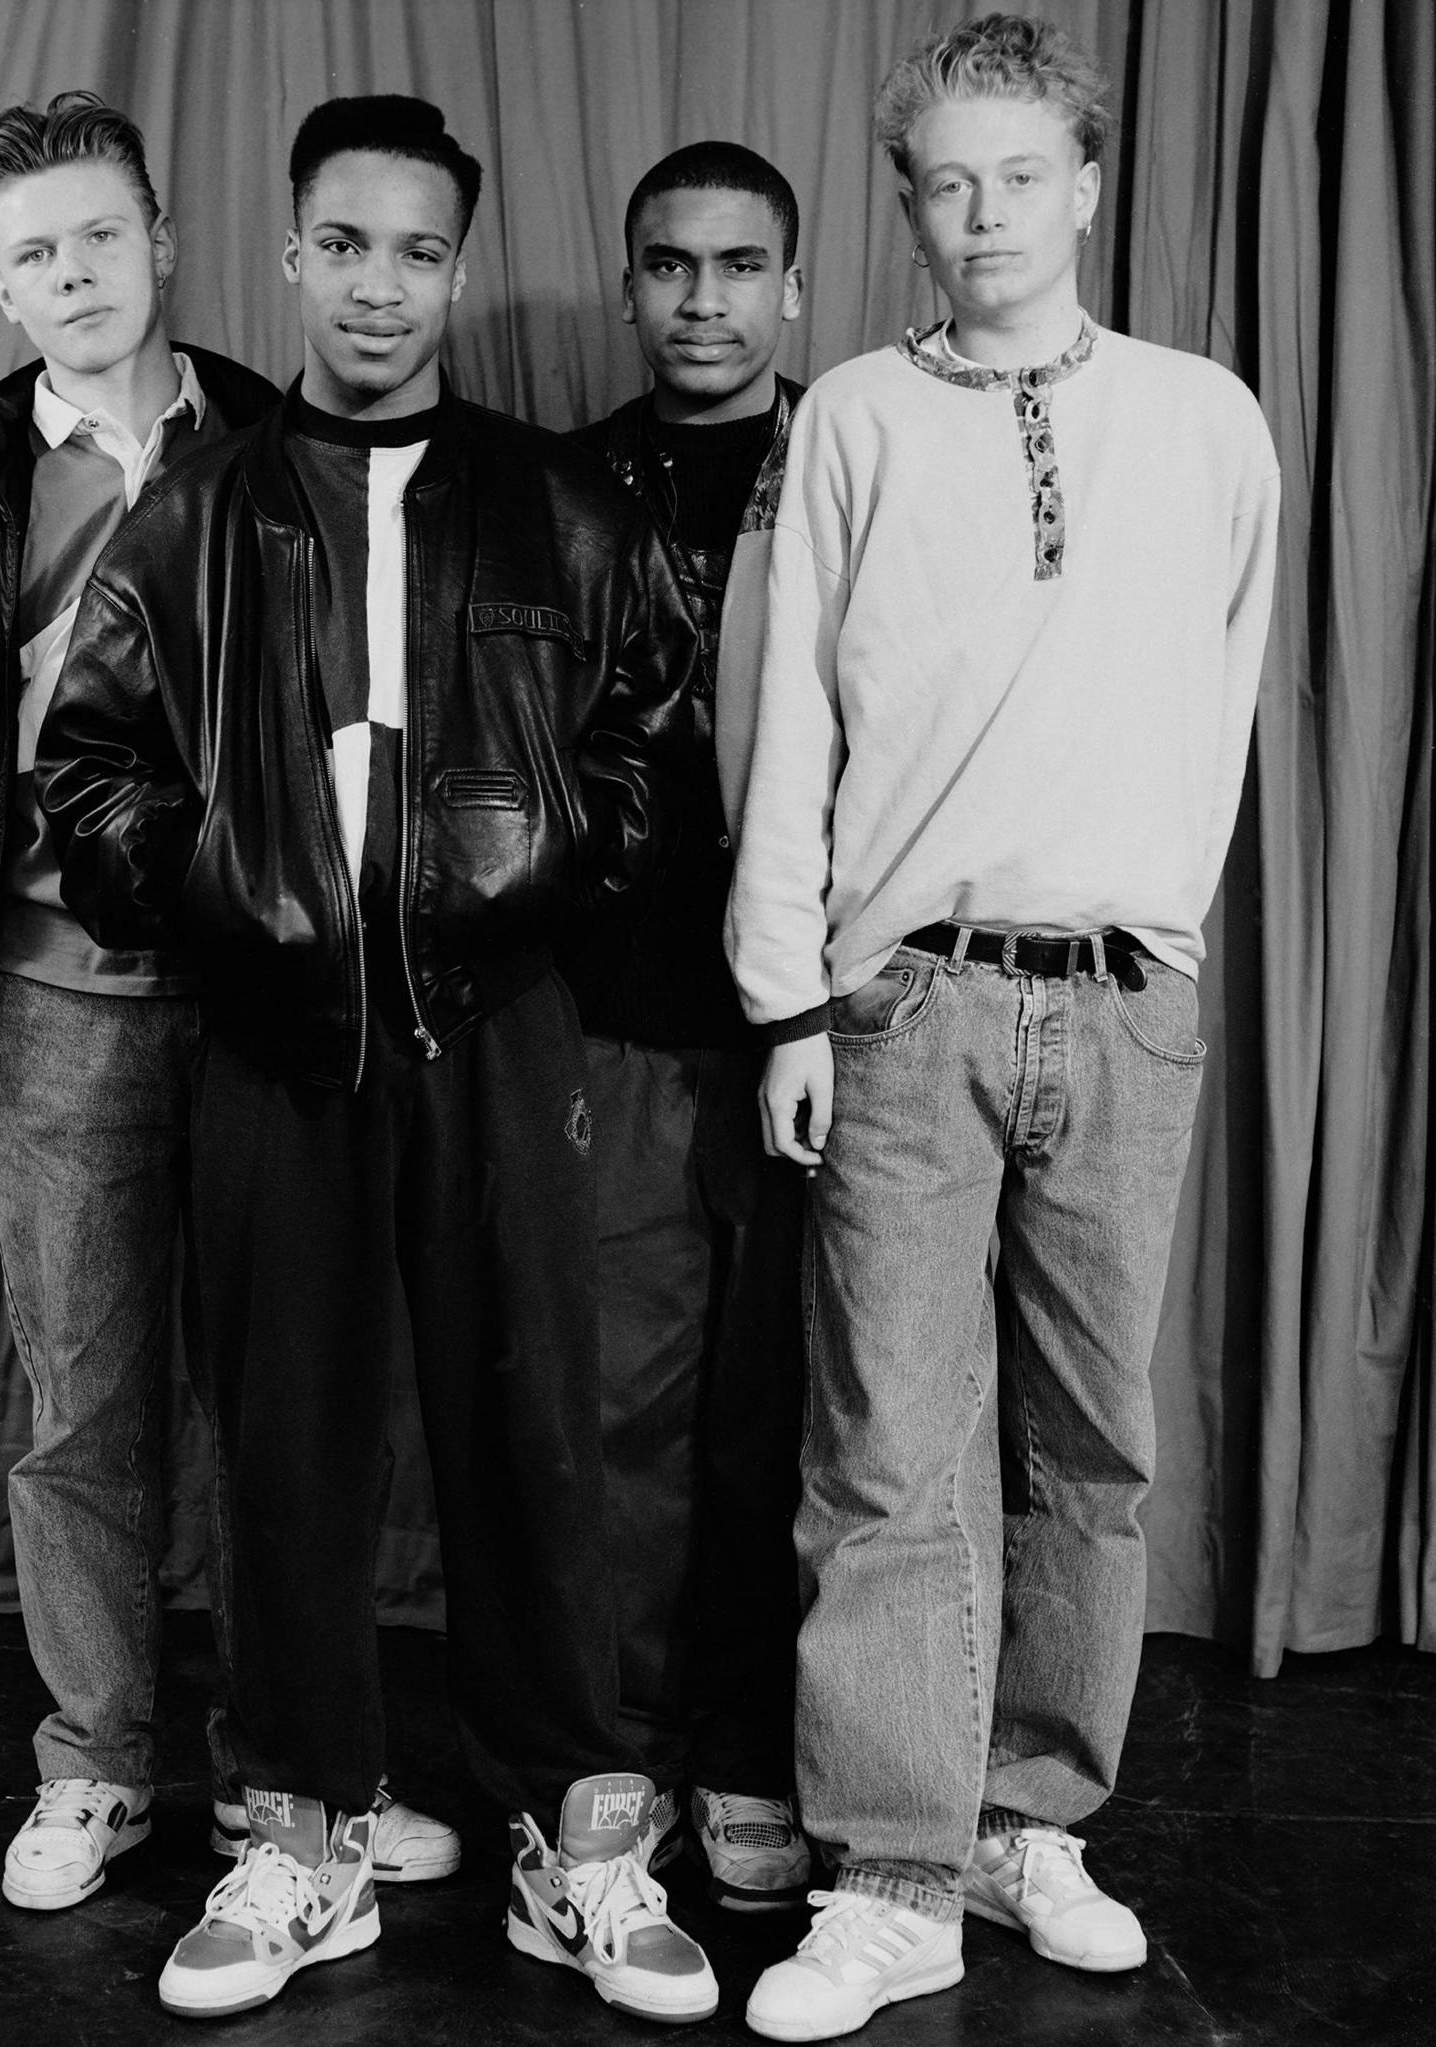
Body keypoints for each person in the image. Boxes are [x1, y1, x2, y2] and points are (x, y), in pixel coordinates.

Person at [37, 95, 717, 2024]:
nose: (380, 287)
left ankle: (573, 1837)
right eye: (345, 245)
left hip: (503, 1034)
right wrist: (233, 885)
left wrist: (528, 866)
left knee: (532, 1437)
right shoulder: (197, 509)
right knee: (294, 1441)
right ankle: (299, 1836)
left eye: (420, 250)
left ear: (460, 268)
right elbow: (84, 766)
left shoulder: (562, 505)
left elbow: (651, 752)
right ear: (287, 258)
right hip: (273, 1042)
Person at [720, 17, 1280, 2038]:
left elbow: (1217, 697)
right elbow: (793, 715)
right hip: (904, 999)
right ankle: (888, 1874)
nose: (981, 217)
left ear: (1083, 182)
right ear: (908, 203)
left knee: (1092, 1446)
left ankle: (1030, 1817)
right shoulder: (855, 418)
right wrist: (788, 993)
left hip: (1122, 1005)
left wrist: (1166, 937)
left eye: (1018, 176)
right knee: (883, 1445)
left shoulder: (1206, 420)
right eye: (945, 183)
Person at [0, 89, 455, 1920]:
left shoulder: (284, 443)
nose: (73, 276)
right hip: (56, 1006)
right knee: (85, 1400)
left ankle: (300, 1788)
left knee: (293, 1402)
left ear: (166, 246)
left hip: (272, 986)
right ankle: (97, 1764)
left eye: (99, 237)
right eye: (33, 255)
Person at [562, 141, 812, 1912]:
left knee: (792, 1418)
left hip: (825, 1022)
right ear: (631, 284)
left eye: (740, 267)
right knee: (625, 1412)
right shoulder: (562, 486)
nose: (705, 300)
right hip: (626, 1025)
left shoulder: (865, 456)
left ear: (792, 285)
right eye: (674, 266)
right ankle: (634, 1752)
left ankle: (757, 1751)